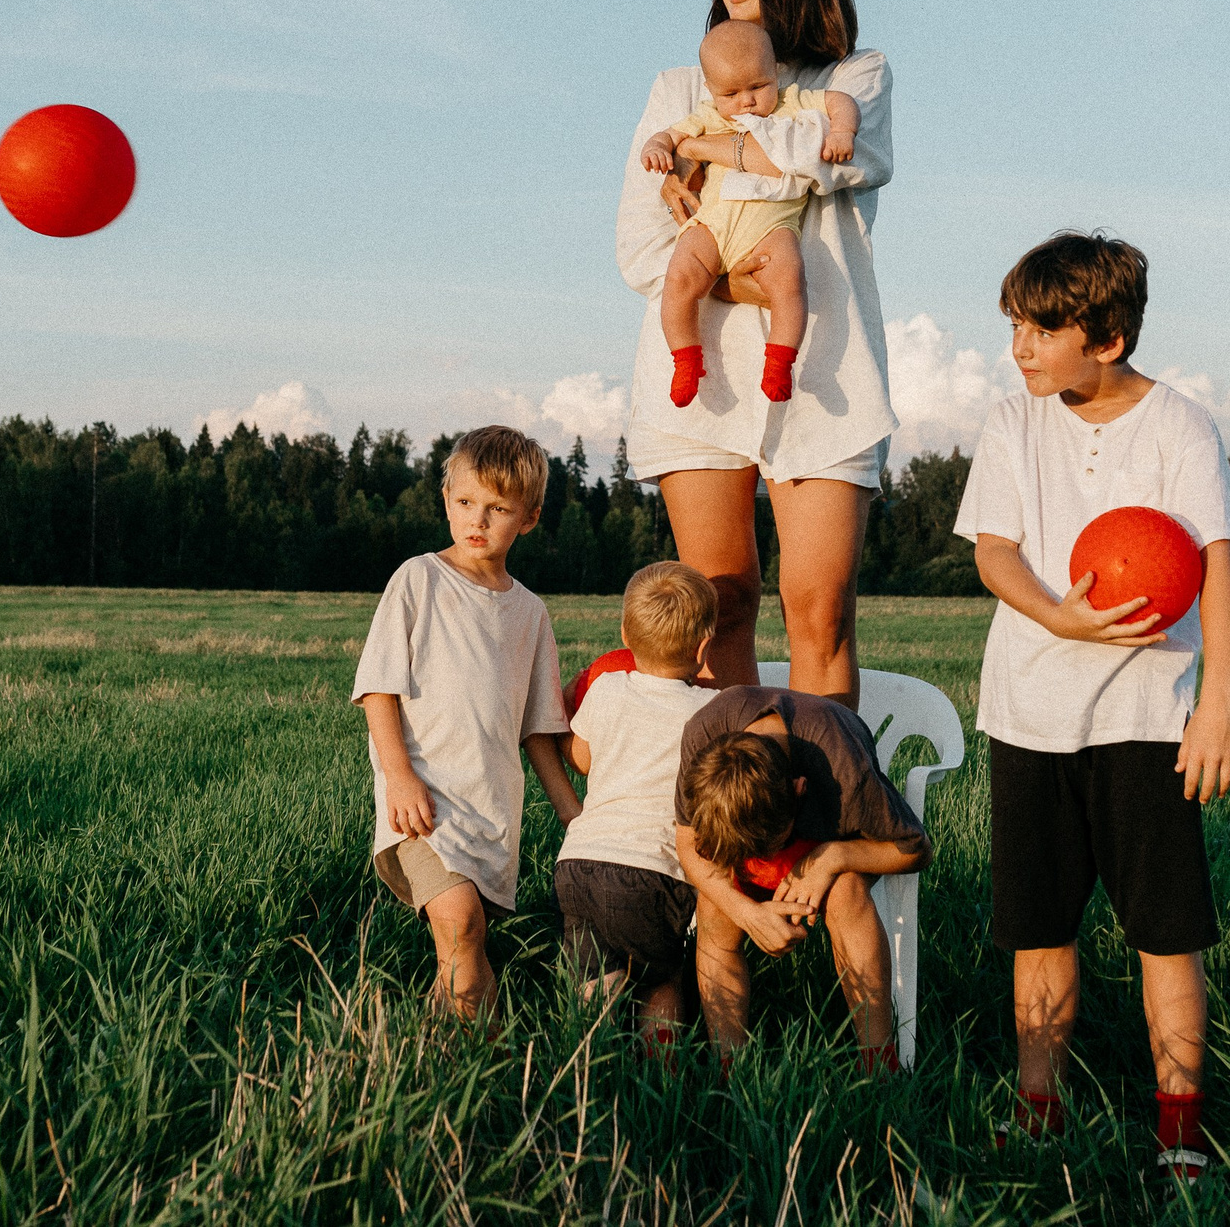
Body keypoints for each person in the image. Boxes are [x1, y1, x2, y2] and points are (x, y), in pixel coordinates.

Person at [951, 232, 1230, 1183]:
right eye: (1015, 328)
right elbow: (994, 551)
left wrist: (1218, 707)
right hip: (1030, 713)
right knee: (1038, 930)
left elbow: (1214, 565)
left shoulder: (1180, 426)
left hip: (1149, 720)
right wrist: (1059, 619)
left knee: (1167, 932)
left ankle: (1180, 1131)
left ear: (1108, 336)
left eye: (1042, 330)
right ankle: (1040, 1112)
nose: (1021, 349)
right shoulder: (1013, 421)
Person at [615, 0, 896, 706]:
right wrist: (761, 283)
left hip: (825, 373)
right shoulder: (677, 86)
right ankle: (737, 822)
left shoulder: (854, 79)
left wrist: (701, 148)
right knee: (719, 607)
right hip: (702, 383)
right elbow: (642, 251)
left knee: (820, 615)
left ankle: (824, 817)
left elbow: (827, 159)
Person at [351, 425, 582, 1018]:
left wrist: (570, 812)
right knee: (458, 925)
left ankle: (445, 1045)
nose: (477, 519)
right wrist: (398, 777)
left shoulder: (529, 612)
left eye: (498, 508)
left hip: (491, 812)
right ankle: (475, 1058)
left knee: (467, 936)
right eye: (465, 502)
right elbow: (378, 688)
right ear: (446, 499)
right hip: (423, 804)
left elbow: (537, 728)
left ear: (528, 518)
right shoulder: (418, 579)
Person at [672, 684, 930, 1072]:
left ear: (799, 790)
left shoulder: (844, 770)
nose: (764, 863)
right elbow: (687, 842)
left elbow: (915, 848)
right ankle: (730, 1067)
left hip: (832, 840)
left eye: (770, 847)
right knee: (713, 906)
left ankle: (880, 1064)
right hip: (756, 822)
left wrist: (832, 857)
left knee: (846, 894)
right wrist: (746, 913)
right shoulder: (703, 739)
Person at [641, 20, 860, 408]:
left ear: (775, 71)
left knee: (790, 280)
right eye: (731, 93)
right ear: (710, 91)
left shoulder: (792, 100)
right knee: (679, 279)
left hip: (772, 226)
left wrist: (843, 131)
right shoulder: (709, 115)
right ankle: (685, 360)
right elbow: (670, 137)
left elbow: (840, 101)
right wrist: (657, 148)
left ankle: (780, 361)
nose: (746, 101)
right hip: (713, 224)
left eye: (757, 86)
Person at [554, 562, 722, 1049]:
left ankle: (585, 1062)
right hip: (655, 873)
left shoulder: (606, 689)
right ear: (704, 647)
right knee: (662, 978)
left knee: (593, 974)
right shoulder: (709, 713)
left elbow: (581, 760)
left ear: (625, 633)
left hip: (580, 864)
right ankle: (660, 1075)